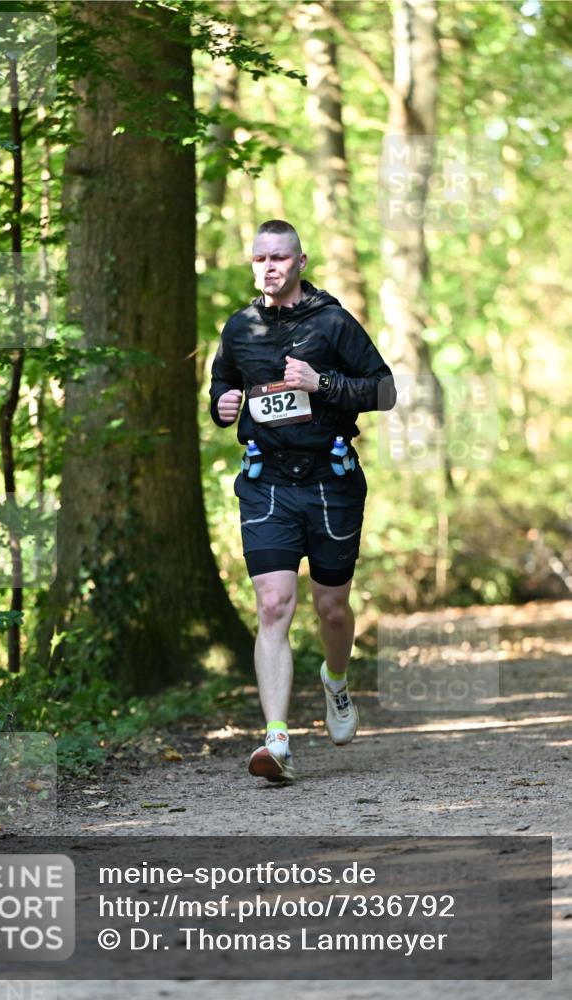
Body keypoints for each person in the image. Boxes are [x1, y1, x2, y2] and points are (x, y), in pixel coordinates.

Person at [209, 219, 396, 783]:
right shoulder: (238, 327)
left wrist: (323, 384)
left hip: (330, 482)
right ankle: (277, 741)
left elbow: (384, 389)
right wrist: (221, 404)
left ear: (301, 262)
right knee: (272, 606)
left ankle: (336, 682)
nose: (269, 267)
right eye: (260, 258)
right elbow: (220, 385)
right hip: (266, 483)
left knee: (332, 608)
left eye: (280, 258)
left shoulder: (333, 321)